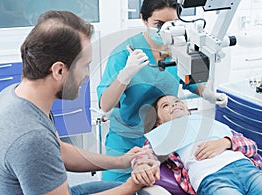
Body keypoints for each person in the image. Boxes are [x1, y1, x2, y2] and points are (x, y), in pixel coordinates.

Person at [0, 10, 160, 195]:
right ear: (59, 70)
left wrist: (121, 161)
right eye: (84, 66)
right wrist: (131, 185)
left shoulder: (17, 96)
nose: (87, 75)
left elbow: (60, 151)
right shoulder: (32, 138)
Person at [97, 0, 228, 182]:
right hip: (126, 140)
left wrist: (209, 94)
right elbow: (105, 104)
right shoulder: (123, 53)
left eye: (172, 24)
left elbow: (191, 80)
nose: (165, 30)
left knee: (162, 188)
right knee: (115, 191)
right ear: (144, 19)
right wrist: (125, 75)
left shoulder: (181, 46)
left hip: (165, 138)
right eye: (158, 24)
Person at [132, 94, 262, 195]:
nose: (174, 105)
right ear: (158, 121)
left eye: (177, 102)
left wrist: (225, 142)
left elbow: (251, 146)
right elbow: (142, 157)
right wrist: (140, 167)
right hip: (213, 180)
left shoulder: (207, 123)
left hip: (247, 171)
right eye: (165, 106)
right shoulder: (161, 135)